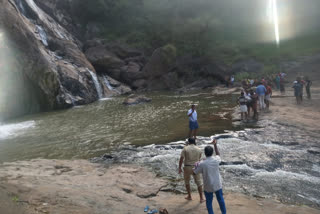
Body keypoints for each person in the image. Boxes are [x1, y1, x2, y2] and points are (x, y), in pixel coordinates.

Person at [194, 140, 226, 214]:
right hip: (217, 184)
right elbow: (218, 154)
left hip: (208, 185)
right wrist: (215, 145)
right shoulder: (216, 160)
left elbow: (195, 172)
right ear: (212, 153)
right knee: (220, 200)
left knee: (209, 202)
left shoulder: (202, 163)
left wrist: (196, 164)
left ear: (205, 153)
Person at [178, 138, 205, 202]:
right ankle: (201, 198)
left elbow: (181, 159)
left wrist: (179, 168)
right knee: (199, 182)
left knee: (187, 181)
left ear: (188, 142)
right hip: (196, 167)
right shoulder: (199, 149)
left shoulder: (185, 148)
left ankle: (189, 196)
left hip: (187, 167)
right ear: (194, 142)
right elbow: (199, 159)